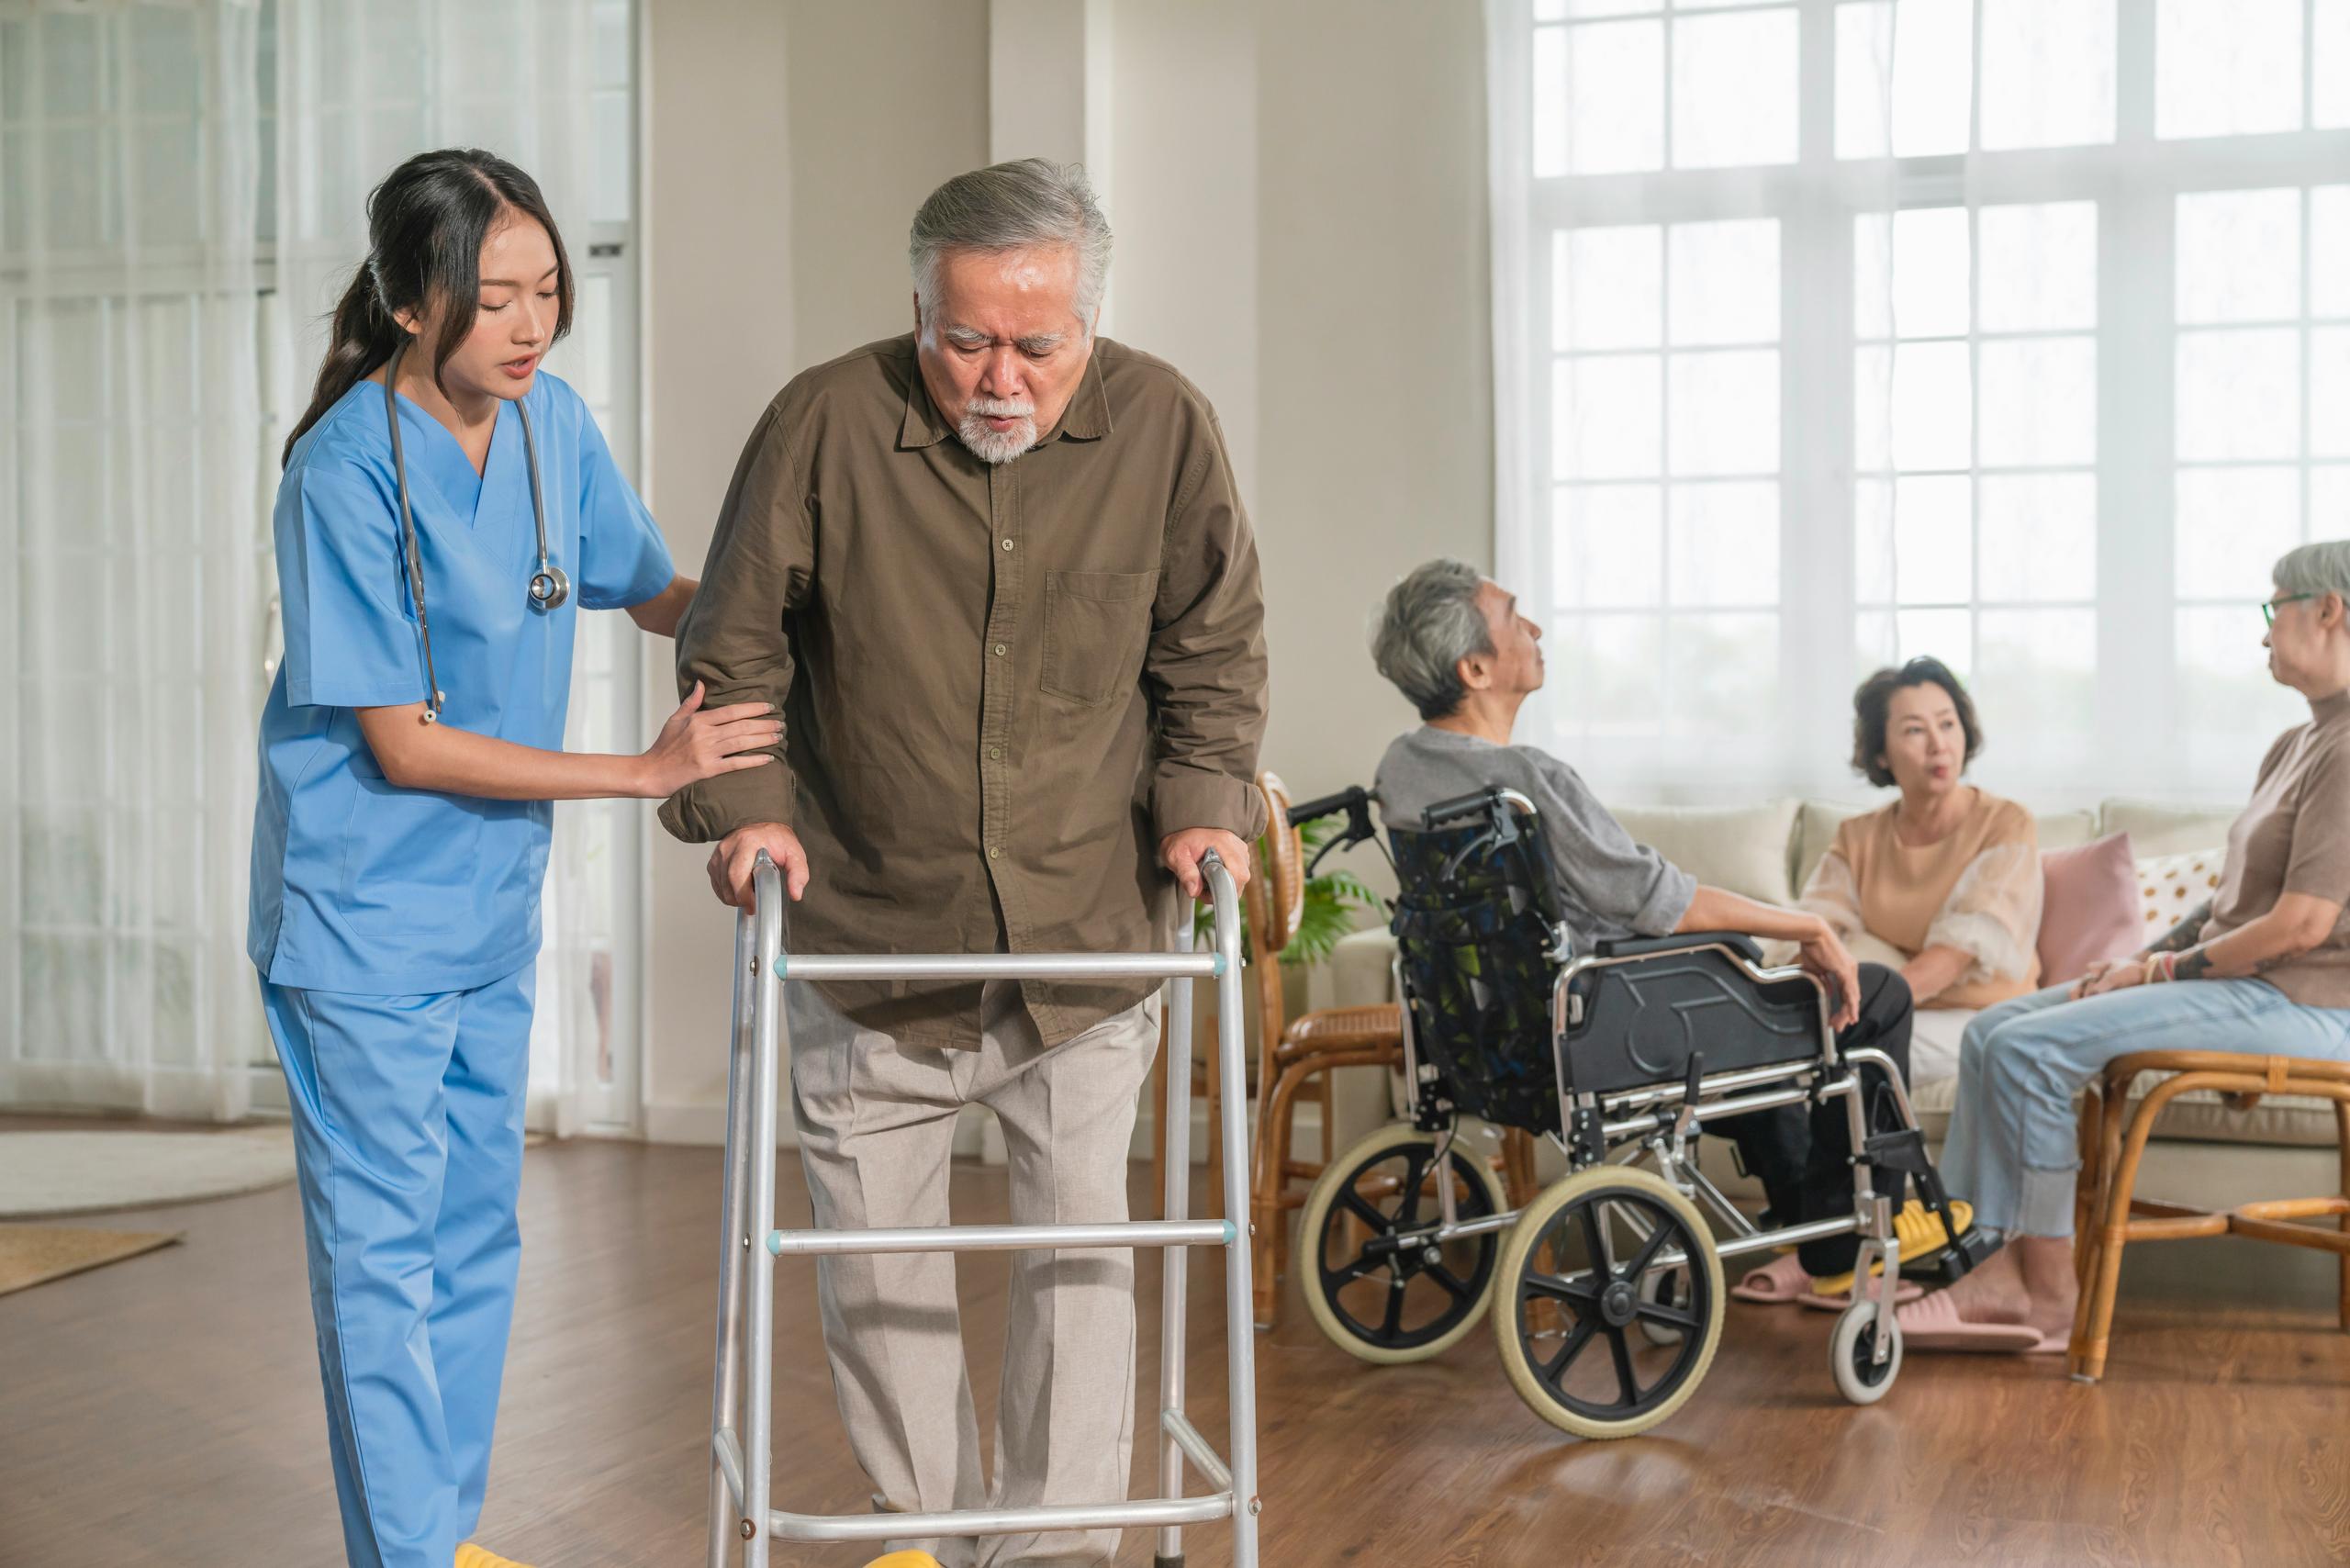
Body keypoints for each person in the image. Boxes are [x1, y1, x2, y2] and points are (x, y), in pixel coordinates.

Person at [659, 159, 1267, 1568]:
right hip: (870, 923)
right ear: (918, 308)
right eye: (964, 339)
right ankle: (925, 1541)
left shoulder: (1165, 425)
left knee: (1077, 1258)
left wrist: (1202, 806)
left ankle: (1053, 1555)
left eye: (1037, 346)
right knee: (876, 1271)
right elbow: (734, 646)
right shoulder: (822, 420)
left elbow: (1213, 652)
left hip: (1086, 925)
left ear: (1091, 326)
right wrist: (748, 806)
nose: (999, 378)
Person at [248, 150, 774, 1568]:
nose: (532, 326)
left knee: (477, 1239)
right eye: (496, 299)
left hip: (485, 908)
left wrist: (794, 616)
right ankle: (407, 1557)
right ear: (414, 302)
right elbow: (405, 745)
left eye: (550, 292)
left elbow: (655, 588)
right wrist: (646, 775)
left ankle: (445, 1537)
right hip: (359, 918)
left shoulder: (553, 428)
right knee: (383, 1256)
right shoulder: (344, 470)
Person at [1369, 558, 1920, 1304]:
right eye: (1514, 618)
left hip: (1495, 1032)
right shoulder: (1528, 780)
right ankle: (1836, 1235)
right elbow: (1659, 902)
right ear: (1474, 668)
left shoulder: (1403, 769)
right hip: (1605, 1021)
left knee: (1745, 975)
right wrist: (1810, 925)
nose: (1534, 628)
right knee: (1873, 992)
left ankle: (1800, 1206)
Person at [1905, 541, 2350, 1353]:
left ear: (2328, 610)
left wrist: (2160, 971)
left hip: (2309, 1004)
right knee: (1989, 1035)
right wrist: (2134, 965)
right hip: (2245, 988)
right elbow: (2229, 907)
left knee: (2032, 1053)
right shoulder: (2293, 747)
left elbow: (2302, 927)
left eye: (2273, 608)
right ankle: (1975, 1258)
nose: (2263, 635)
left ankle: (2041, 1293)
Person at [1729, 660, 2041, 1303]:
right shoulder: (1858, 836)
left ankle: (1850, 1239)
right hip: (1879, 1002)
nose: (1939, 744)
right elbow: (1809, 938)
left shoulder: (2005, 823)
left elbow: (1955, 955)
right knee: (1785, 1056)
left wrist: (1868, 1003)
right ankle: (1816, 1235)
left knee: (1841, 1057)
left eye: (1949, 725)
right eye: (1915, 730)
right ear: (1879, 750)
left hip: (1977, 1017)